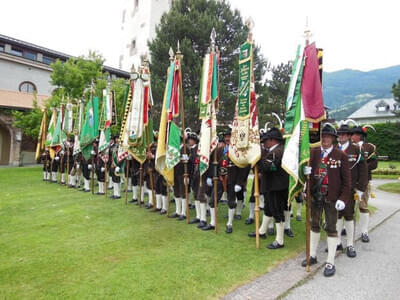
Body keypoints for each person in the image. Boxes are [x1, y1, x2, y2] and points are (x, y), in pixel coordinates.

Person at [301, 124, 351, 277]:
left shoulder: (340, 155)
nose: (325, 140)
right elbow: (306, 178)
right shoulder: (313, 153)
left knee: (331, 227)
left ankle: (330, 261)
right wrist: (305, 174)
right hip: (315, 196)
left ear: (334, 139)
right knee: (314, 225)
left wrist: (343, 198)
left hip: (332, 198)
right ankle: (313, 255)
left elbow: (347, 181)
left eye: (328, 137)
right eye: (323, 137)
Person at [249, 127, 288, 249]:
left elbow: (268, 167)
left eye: (266, 140)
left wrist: (257, 159)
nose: (264, 143)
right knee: (268, 209)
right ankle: (262, 231)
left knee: (277, 211)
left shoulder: (277, 151)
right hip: (272, 185)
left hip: (277, 186)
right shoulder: (275, 150)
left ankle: (280, 240)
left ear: (272, 140)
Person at [334, 123, 368, 257]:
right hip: (334, 189)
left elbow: (363, 170)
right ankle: (337, 242)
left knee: (349, 216)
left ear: (348, 136)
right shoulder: (334, 148)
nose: (341, 136)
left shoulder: (356, 150)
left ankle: (350, 245)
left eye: (343, 134)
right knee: (336, 216)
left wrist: (360, 189)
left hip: (349, 189)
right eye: (339, 134)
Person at [351, 126, 378, 242]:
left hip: (364, 181)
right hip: (350, 181)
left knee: (363, 206)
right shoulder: (349, 147)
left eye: (353, 134)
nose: (351, 136)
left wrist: (361, 168)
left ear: (359, 135)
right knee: (348, 207)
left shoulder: (370, 147)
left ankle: (364, 232)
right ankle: (345, 229)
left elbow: (374, 164)